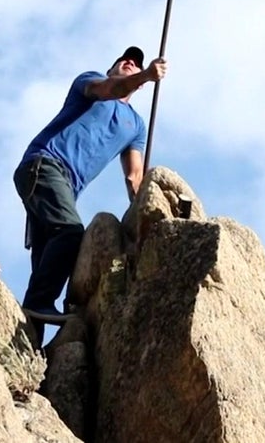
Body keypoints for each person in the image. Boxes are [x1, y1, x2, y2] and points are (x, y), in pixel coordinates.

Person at [14, 46, 168, 326]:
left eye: (135, 63)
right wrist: (145, 75)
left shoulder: (135, 125)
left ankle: (29, 338)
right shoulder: (91, 82)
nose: (129, 62)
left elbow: (134, 177)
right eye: (124, 60)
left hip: (64, 189)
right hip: (44, 165)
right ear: (112, 69)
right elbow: (108, 88)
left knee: (46, 268)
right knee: (70, 232)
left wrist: (143, 216)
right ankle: (38, 304)